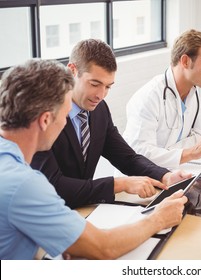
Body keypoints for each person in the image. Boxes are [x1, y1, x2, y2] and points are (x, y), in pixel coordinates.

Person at [0, 59, 188, 260]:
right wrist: (158, 219)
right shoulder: (24, 184)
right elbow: (104, 247)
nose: (66, 121)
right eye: (64, 116)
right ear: (45, 120)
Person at [31, 39, 189, 209]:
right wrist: (119, 184)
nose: (101, 95)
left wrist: (165, 176)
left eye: (108, 87)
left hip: (84, 208)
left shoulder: (99, 110)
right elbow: (53, 185)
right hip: (46, 211)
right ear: (72, 70)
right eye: (94, 84)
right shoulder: (45, 116)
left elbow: (126, 157)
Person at [122, 29, 201, 169]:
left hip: (177, 170)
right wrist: (188, 153)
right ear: (185, 61)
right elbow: (141, 153)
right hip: (140, 179)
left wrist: (166, 152)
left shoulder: (199, 90)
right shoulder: (148, 97)